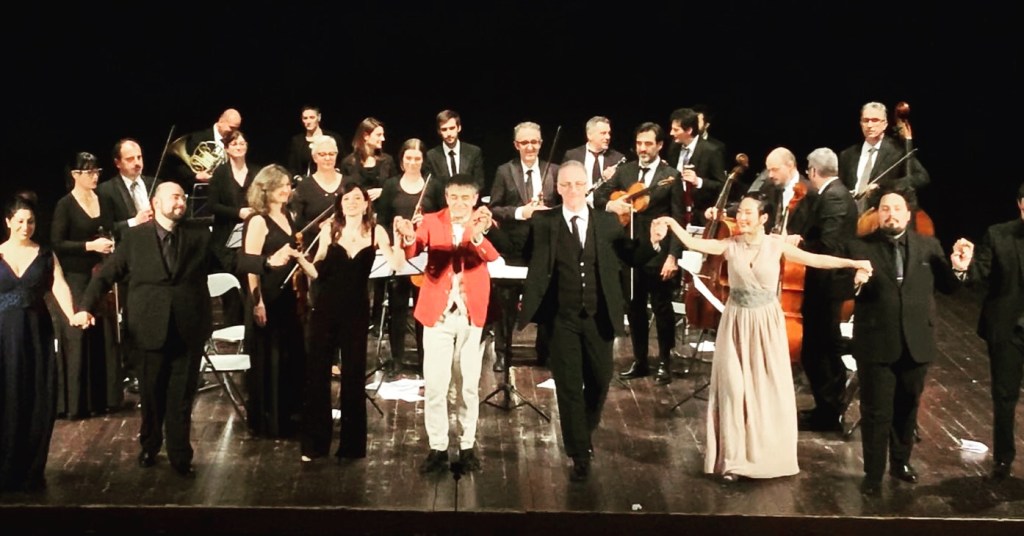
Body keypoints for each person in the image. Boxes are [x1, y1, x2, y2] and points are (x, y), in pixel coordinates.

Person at [658, 194, 872, 481]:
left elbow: (816, 260)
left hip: (765, 325)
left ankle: (763, 456)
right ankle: (733, 460)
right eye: (740, 212)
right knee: (733, 389)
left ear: (763, 218)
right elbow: (693, 243)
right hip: (736, 323)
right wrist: (671, 222)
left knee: (763, 388)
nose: (742, 218)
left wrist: (853, 262)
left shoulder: (775, 246)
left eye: (748, 213)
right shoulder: (729, 245)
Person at [518, 161, 664, 482]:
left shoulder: (607, 222)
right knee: (569, 386)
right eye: (566, 184)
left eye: (578, 184)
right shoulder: (544, 222)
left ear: (587, 187)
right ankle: (579, 453)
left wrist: (653, 242)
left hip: (599, 316)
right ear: (558, 188)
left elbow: (631, 256)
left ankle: (583, 429)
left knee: (600, 378)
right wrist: (497, 224)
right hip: (561, 319)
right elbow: (522, 251)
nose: (573, 190)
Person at [845, 188, 969, 496]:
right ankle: (873, 474)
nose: (891, 214)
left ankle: (900, 463)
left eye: (897, 209)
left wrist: (958, 268)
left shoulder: (928, 245)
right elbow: (840, 288)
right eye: (885, 209)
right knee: (876, 411)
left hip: (916, 341)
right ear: (877, 214)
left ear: (908, 214)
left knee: (907, 407)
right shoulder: (858, 247)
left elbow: (949, 288)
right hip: (876, 342)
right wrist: (854, 283)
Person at [393, 174, 498, 474]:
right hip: (437, 314)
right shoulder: (431, 220)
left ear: (475, 199)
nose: (459, 204)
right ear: (446, 198)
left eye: (466, 198)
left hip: (471, 314)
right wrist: (408, 236)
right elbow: (414, 247)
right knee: (436, 385)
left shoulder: (483, 221)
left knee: (468, 386)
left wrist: (476, 235)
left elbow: (492, 254)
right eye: (454, 198)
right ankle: (438, 447)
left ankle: (467, 446)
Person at [293, 183, 402, 461]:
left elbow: (397, 264)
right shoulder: (330, 230)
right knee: (317, 374)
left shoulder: (377, 231)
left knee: (354, 375)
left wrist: (400, 240)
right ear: (340, 205)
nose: (351, 203)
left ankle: (351, 447)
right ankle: (315, 445)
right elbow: (317, 271)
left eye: (357, 199)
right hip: (325, 308)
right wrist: (300, 260)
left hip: (356, 310)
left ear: (366, 204)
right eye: (346, 199)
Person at [0, 193, 83, 491]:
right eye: (20, 221)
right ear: (8, 222)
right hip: (3, 335)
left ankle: (30, 468)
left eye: (31, 221)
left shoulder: (46, 255)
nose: (26, 227)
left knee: (35, 396)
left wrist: (72, 314)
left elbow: (59, 285)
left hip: (36, 333)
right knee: (6, 395)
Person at [595, 122, 684, 384]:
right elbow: (598, 196)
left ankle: (665, 361)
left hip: (658, 252)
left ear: (659, 145)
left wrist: (673, 256)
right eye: (639, 143)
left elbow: (678, 218)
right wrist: (612, 205)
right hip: (629, 251)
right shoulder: (625, 171)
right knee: (634, 307)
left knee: (662, 307)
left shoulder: (671, 176)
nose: (643, 148)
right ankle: (640, 360)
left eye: (648, 143)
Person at [50, 152, 121, 418]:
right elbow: (58, 243)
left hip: (100, 274)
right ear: (75, 175)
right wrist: (90, 246)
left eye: (97, 171)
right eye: (89, 172)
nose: (95, 176)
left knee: (103, 334)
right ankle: (76, 402)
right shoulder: (65, 205)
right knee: (80, 334)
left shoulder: (103, 199)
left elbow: (112, 228)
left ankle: (103, 399)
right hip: (76, 276)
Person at [238, 165, 306, 438]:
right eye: (281, 186)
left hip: (287, 296)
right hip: (267, 296)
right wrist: (258, 302)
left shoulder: (288, 214)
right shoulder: (258, 220)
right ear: (266, 188)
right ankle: (269, 422)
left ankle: (288, 417)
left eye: (288, 185)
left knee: (288, 358)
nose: (287, 190)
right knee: (270, 360)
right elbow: (249, 265)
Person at [962, 182, 1023, 481]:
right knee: (1004, 394)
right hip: (1007, 328)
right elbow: (979, 276)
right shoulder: (998, 234)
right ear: (1021, 204)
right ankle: (1003, 458)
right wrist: (965, 266)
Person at [797, 148, 859, 432]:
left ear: (812, 170)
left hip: (828, 284)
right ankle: (826, 408)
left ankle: (829, 411)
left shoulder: (834, 196)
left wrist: (798, 246)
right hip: (826, 283)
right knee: (819, 348)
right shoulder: (833, 193)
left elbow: (830, 244)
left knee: (820, 349)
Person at [489, 121, 559, 371]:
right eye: (525, 142)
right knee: (505, 303)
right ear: (516, 145)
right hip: (513, 247)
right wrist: (522, 212)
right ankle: (503, 353)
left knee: (546, 300)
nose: (530, 147)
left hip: (544, 248)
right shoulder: (504, 171)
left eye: (534, 142)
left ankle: (545, 352)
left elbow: (563, 208)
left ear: (541, 143)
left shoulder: (554, 171)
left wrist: (547, 211)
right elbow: (494, 208)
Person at [375, 138, 445, 374]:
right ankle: (397, 359)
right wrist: (395, 231)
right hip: (399, 254)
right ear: (402, 159)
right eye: (408, 158)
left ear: (423, 160)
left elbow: (443, 219)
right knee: (397, 308)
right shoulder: (391, 185)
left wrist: (426, 221)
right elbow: (382, 220)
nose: (413, 162)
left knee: (424, 310)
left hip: (425, 255)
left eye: (417, 158)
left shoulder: (433, 186)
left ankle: (426, 360)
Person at [95, 138, 154, 393]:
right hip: (129, 262)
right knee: (133, 317)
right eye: (130, 159)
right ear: (117, 163)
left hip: (156, 259)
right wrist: (134, 221)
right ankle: (134, 369)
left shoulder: (154, 184)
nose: (137, 163)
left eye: (139, 157)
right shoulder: (107, 190)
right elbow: (106, 227)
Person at [838, 102, 930, 212]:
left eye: (875, 120)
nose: (869, 125)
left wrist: (882, 187)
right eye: (866, 120)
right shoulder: (847, 154)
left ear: (885, 124)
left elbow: (921, 177)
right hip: (850, 214)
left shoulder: (897, 151)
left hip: (880, 214)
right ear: (861, 123)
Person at [665, 107, 726, 226]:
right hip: (675, 210)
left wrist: (698, 181)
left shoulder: (711, 151)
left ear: (688, 130)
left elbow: (722, 185)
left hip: (699, 214)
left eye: (676, 130)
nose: (671, 133)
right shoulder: (673, 147)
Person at [207, 130, 257, 274]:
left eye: (242, 143)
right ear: (227, 148)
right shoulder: (220, 173)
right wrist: (238, 213)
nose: (239, 147)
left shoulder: (256, 171)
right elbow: (212, 205)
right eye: (234, 144)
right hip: (226, 236)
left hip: (253, 232)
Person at [561, 116, 626, 207]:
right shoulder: (572, 156)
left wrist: (612, 179)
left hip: (606, 210)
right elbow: (564, 184)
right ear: (589, 135)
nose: (608, 137)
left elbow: (622, 189)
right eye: (603, 133)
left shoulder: (618, 158)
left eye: (609, 133)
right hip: (578, 208)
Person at [174, 108, 242, 193]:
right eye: (231, 127)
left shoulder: (234, 141)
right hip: (199, 190)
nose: (233, 131)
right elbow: (180, 165)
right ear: (221, 121)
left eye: (236, 128)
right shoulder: (198, 138)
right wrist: (196, 176)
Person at [290, 135, 344, 232]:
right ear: (315, 157)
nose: (328, 158)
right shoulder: (304, 186)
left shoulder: (348, 183)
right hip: (314, 239)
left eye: (331, 154)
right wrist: (318, 226)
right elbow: (298, 223)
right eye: (322, 154)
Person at [423, 109, 485, 190]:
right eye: (444, 129)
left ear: (459, 128)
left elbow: (479, 184)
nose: (448, 133)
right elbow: (430, 187)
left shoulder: (474, 152)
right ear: (439, 131)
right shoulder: (431, 156)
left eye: (452, 128)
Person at [340, 117, 395, 202]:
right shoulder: (348, 162)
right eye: (379, 135)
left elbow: (395, 187)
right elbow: (344, 191)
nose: (383, 139)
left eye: (383, 135)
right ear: (366, 136)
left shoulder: (387, 160)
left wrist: (383, 191)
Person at [286, 105, 345, 178]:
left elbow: (342, 160)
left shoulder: (333, 138)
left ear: (319, 117)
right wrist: (298, 179)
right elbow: (292, 167)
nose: (308, 121)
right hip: (305, 181)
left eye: (312, 117)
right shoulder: (297, 141)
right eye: (305, 118)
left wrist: (337, 172)